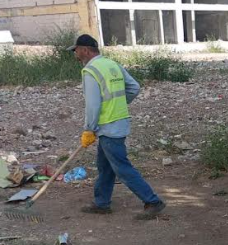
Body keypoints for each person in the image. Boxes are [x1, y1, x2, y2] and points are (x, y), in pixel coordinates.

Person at [68, 34, 166, 219]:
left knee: (121, 167)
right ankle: (101, 202)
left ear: (85, 50)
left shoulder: (90, 71)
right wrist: (119, 104)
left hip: (108, 126)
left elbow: (93, 105)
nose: (75, 54)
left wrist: (89, 129)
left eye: (76, 50)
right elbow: (134, 88)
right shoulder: (112, 64)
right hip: (119, 122)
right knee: (105, 165)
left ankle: (152, 201)